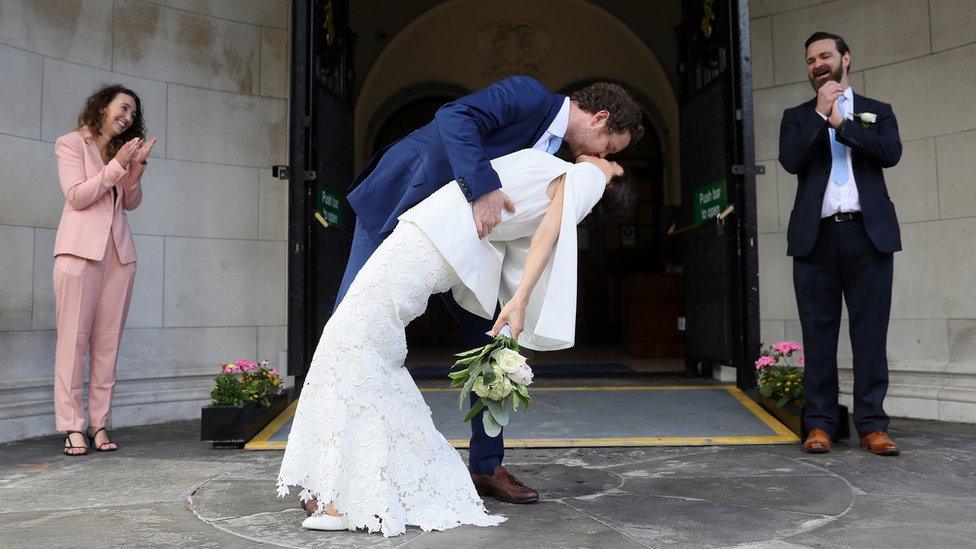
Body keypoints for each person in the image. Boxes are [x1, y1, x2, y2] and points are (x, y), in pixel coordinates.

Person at [277, 148, 633, 536]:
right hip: (432, 239)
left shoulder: (591, 179)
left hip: (429, 240)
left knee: (352, 343)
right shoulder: (567, 172)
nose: (608, 155)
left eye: (614, 162)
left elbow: (547, 236)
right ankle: (346, 487)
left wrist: (520, 300)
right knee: (362, 348)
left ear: (612, 183)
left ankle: (342, 495)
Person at [334, 76, 643, 502]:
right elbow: (453, 116)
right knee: (348, 329)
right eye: (609, 147)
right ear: (601, 118)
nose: (602, 156)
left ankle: (485, 466)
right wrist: (482, 189)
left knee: (492, 346)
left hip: (468, 248)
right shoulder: (530, 95)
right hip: (403, 204)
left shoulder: (559, 157)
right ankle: (331, 471)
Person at [778, 32, 903, 456]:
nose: (817, 64)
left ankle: (872, 426)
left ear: (845, 59)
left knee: (871, 333)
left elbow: (890, 153)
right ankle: (819, 424)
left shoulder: (877, 111)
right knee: (818, 334)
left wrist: (842, 125)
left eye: (825, 56)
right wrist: (819, 115)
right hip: (816, 240)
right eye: (810, 59)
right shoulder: (797, 117)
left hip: (869, 236)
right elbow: (792, 160)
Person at [53, 85, 157, 456]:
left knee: (107, 344)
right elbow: (77, 196)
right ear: (102, 106)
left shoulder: (120, 153)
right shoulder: (70, 144)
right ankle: (71, 426)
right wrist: (116, 167)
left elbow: (130, 201)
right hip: (79, 254)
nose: (128, 117)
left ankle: (99, 423)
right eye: (124, 108)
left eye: (133, 113)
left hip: (118, 257)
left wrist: (136, 166)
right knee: (73, 340)